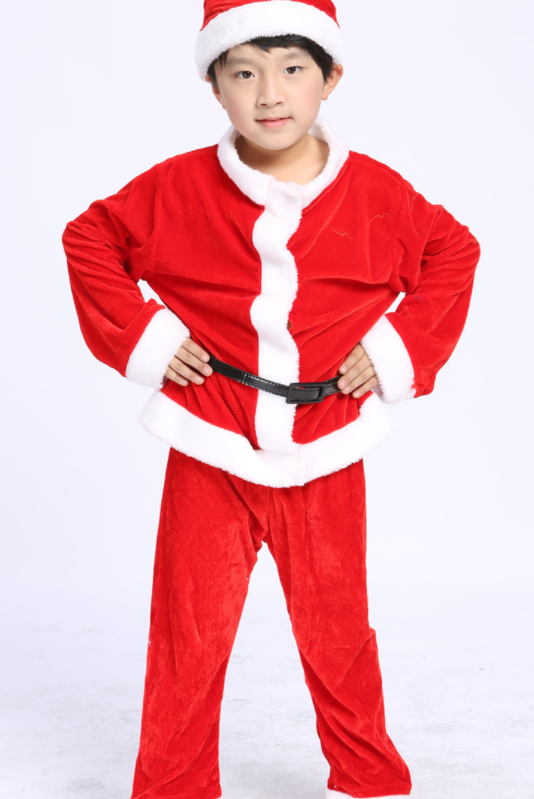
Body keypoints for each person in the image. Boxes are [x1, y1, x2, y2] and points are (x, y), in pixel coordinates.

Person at [61, 1, 481, 797]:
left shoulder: (376, 193)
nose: (269, 94)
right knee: (189, 633)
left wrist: (392, 348)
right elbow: (90, 238)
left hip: (326, 445)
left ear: (330, 78)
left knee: (338, 633)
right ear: (214, 85)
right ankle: (173, 786)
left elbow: (453, 250)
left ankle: (368, 778)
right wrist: (147, 336)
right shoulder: (177, 187)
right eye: (244, 72)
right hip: (211, 439)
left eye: (292, 69)